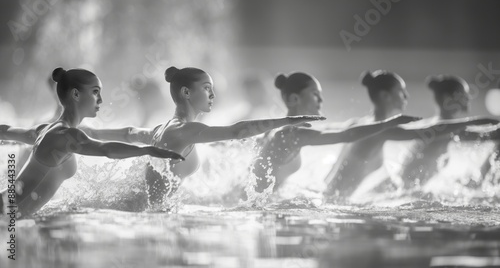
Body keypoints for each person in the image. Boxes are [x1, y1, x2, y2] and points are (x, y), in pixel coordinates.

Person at [82, 66, 325, 206]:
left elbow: (130, 133)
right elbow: (238, 130)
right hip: (143, 213)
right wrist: (290, 120)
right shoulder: (185, 130)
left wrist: (92, 131)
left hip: (139, 208)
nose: (212, 95)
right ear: (187, 92)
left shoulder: (166, 127)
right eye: (207, 89)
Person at [0, 67, 184, 217]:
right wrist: (149, 151)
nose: (101, 100)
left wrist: (149, 134)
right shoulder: (65, 135)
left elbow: (6, 131)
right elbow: (106, 150)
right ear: (76, 95)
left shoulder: (46, 129)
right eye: (95, 92)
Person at [323, 70, 498, 198]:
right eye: (401, 92)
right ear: (385, 96)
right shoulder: (379, 130)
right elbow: (425, 131)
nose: (406, 96)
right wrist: (472, 121)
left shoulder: (359, 123)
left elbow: (329, 133)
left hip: (334, 196)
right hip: (336, 202)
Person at [252, 72, 421, 193]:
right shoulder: (291, 135)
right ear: (294, 99)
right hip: (248, 204)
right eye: (315, 95)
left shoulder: (282, 130)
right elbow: (346, 136)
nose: (321, 100)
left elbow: (340, 129)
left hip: (249, 199)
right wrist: (387, 124)